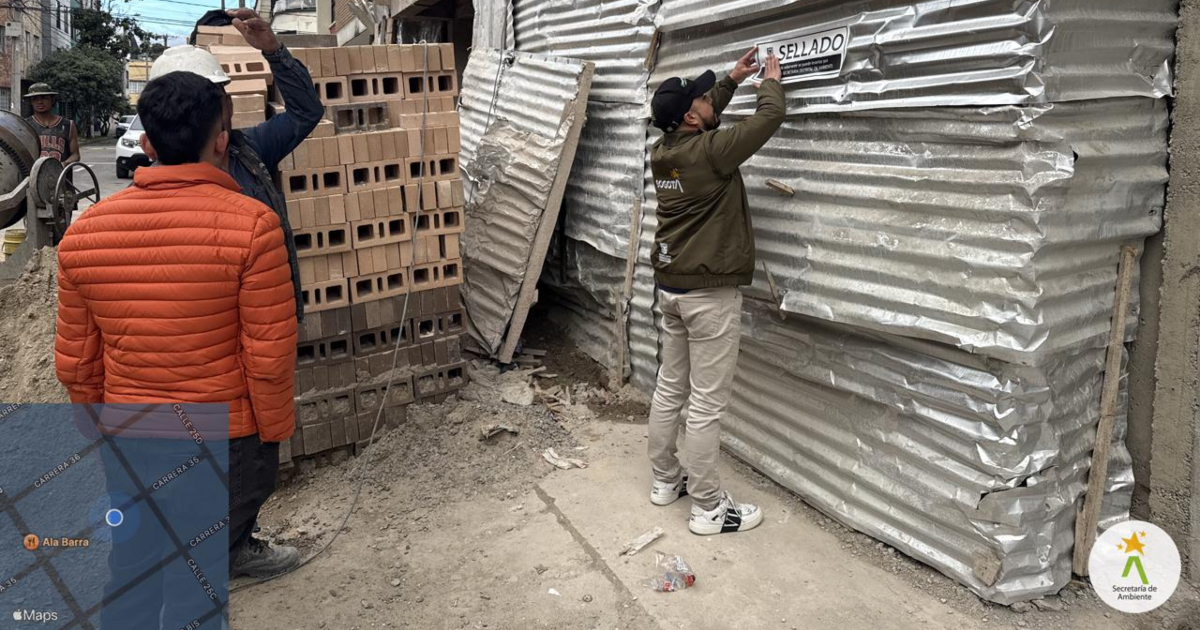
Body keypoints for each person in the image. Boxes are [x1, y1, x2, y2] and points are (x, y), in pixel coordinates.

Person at [54, 68, 299, 606]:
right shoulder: (254, 227)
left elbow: (77, 360)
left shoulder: (84, 234)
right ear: (222, 140)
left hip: (130, 432)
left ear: (147, 145)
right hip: (224, 436)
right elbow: (268, 355)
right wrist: (272, 435)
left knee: (135, 566)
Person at [645, 48, 784, 536]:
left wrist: (730, 81)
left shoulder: (663, 152)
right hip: (708, 298)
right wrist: (769, 83)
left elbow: (702, 118)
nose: (708, 100)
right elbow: (769, 119)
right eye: (702, 98)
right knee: (705, 405)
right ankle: (709, 509)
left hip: (672, 289)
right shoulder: (709, 153)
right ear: (689, 116)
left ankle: (666, 480)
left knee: (670, 388)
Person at [150, 8, 324, 327]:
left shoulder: (249, 150)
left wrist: (274, 50)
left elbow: (306, 112)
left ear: (227, 104)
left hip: (265, 320)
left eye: (215, 98)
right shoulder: (150, 196)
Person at [23, 82, 79, 165]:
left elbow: (75, 155)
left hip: (62, 173)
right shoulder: (25, 125)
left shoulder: (68, 125)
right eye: (35, 99)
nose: (40, 102)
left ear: (52, 100)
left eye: (44, 98)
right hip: (34, 173)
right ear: (31, 102)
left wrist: (62, 165)